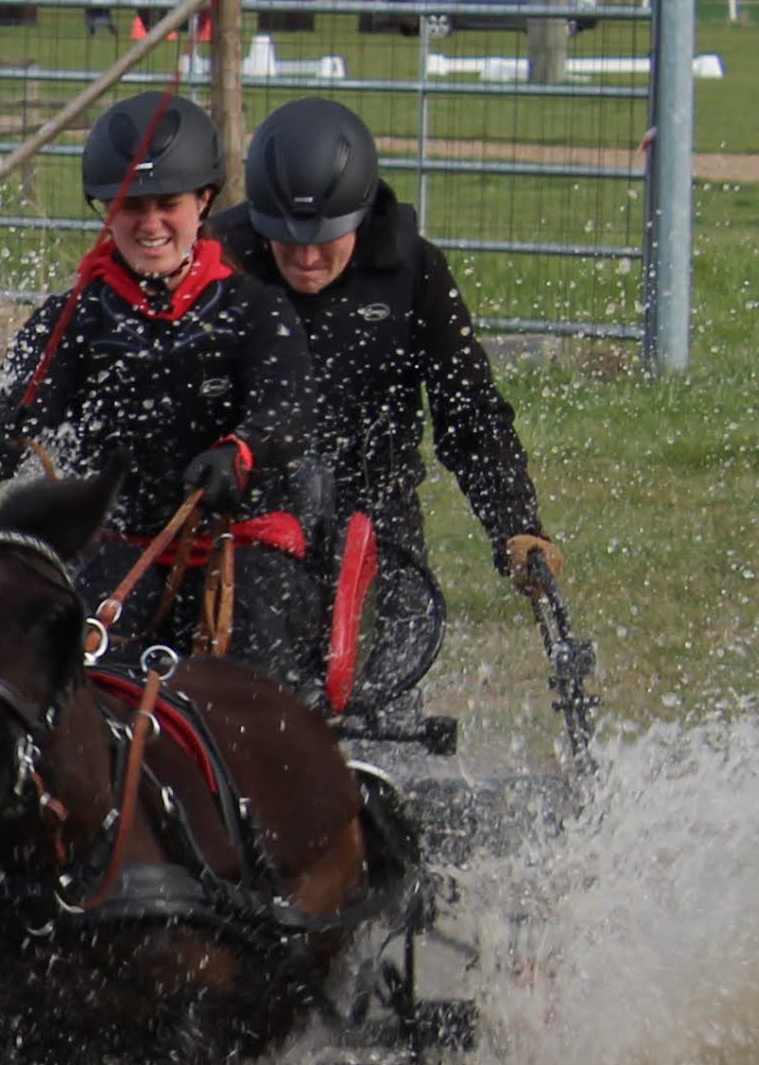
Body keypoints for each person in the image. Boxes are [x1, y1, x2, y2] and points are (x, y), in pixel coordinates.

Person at [211, 97, 558, 723]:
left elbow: (469, 412)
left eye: (323, 240)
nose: (306, 258)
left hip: (379, 519)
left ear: (362, 214)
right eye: (286, 241)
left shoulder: (416, 271)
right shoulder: (220, 261)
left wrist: (515, 522)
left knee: (382, 704)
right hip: (253, 522)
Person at [0, 90, 326, 688]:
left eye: (168, 205)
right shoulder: (73, 317)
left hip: (239, 544)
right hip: (119, 544)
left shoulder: (255, 309)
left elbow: (288, 408)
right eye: (131, 206)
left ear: (203, 202)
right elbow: (18, 403)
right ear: (106, 210)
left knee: (253, 646)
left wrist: (240, 452)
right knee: (84, 664)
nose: (150, 224)